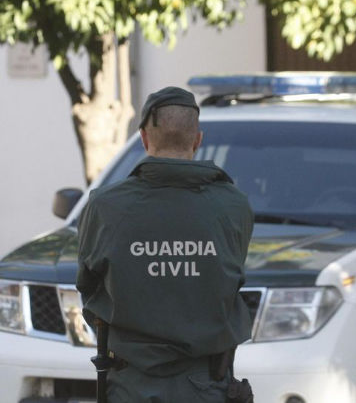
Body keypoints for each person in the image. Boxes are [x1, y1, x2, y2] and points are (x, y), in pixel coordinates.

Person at [76, 86, 254, 402]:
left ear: (144, 139)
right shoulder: (234, 206)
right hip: (207, 386)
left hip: (129, 386)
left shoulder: (105, 206)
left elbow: (89, 288)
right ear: (197, 140)